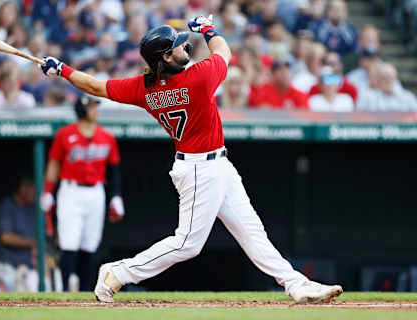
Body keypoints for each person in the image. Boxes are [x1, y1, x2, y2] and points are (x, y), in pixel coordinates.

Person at [40, 16, 343, 304]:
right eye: (178, 47)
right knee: (187, 243)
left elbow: (96, 87)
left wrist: (62, 69)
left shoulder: (143, 89)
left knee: (253, 232)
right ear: (165, 59)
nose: (185, 47)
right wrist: (208, 29)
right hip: (200, 169)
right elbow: (223, 50)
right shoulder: (198, 78)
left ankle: (295, 284)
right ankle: (117, 272)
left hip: (214, 165)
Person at [40, 95, 125, 291]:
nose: (96, 111)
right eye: (92, 107)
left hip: (96, 192)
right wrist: (47, 191)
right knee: (69, 241)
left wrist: (117, 196)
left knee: (90, 243)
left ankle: (87, 291)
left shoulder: (107, 136)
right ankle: (64, 290)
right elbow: (54, 164)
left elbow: (114, 170)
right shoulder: (65, 134)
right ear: (82, 110)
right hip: (71, 191)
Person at [0, 176, 37, 291]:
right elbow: (5, 237)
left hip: (30, 268)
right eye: (34, 188)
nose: (36, 193)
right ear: (23, 189)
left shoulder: (34, 209)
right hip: (8, 266)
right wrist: (32, 243)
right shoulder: (7, 206)